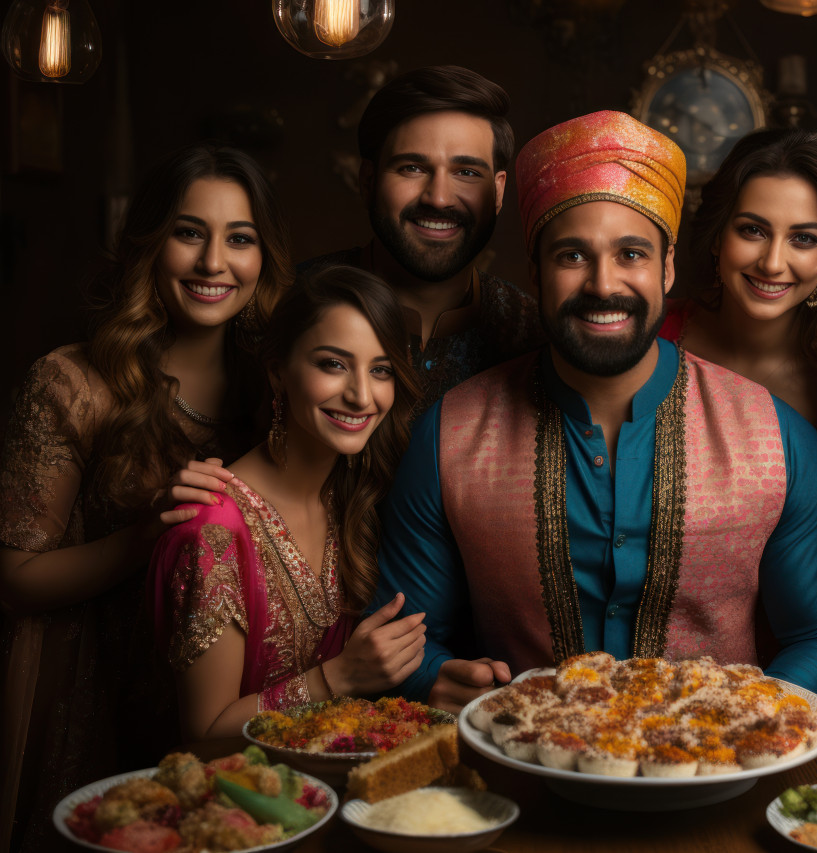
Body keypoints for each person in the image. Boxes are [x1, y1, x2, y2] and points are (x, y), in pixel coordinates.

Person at [373, 110, 817, 713]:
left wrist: (751, 713)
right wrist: (433, 676)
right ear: (535, 272)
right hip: (522, 775)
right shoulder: (451, 435)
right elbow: (404, 636)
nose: (603, 284)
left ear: (668, 267)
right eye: (572, 256)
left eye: (631, 254)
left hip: (719, 775)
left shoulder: (776, 439)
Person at [0, 143, 291, 853]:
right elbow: (13, 578)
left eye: (240, 239)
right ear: (150, 244)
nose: (213, 262)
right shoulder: (72, 381)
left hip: (225, 698)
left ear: (265, 258)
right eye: (189, 233)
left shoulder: (279, 390)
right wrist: (147, 533)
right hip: (91, 685)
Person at [149, 266, 426, 738]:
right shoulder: (213, 529)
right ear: (278, 372)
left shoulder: (357, 499)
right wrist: (337, 677)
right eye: (333, 364)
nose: (361, 396)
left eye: (380, 370)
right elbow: (203, 737)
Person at [304, 65, 542, 409]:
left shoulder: (534, 336)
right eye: (412, 168)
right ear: (368, 182)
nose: (439, 197)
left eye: (466, 172)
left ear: (498, 191)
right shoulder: (289, 302)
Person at [660, 128, 817, 432]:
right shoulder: (649, 332)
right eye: (753, 230)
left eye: (803, 238)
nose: (772, 264)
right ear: (717, 237)